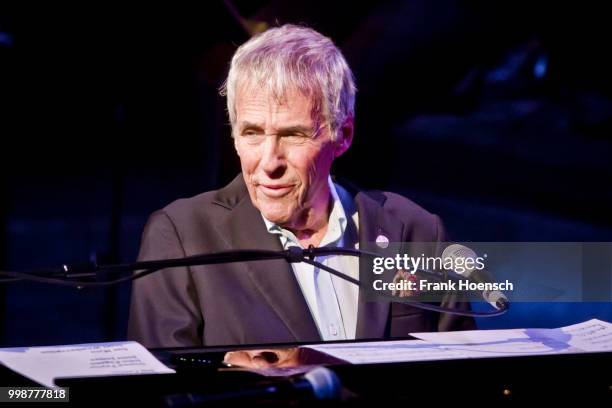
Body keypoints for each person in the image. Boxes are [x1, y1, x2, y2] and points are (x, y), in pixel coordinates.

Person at [128, 24, 474, 348]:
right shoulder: (182, 238)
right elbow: (163, 391)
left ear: (344, 135)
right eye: (251, 133)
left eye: (292, 135)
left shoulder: (415, 231)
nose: (269, 162)